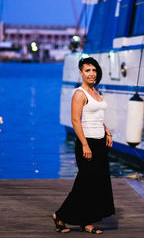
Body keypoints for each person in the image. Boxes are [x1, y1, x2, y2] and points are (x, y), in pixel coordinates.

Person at [52, 57, 115, 234]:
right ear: (81, 73)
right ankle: (60, 215)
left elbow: (98, 118)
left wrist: (107, 132)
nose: (91, 73)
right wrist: (85, 145)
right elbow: (75, 120)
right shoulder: (79, 94)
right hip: (86, 143)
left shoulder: (95, 91)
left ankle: (87, 222)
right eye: (87, 70)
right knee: (84, 185)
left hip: (100, 142)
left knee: (97, 184)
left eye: (94, 70)